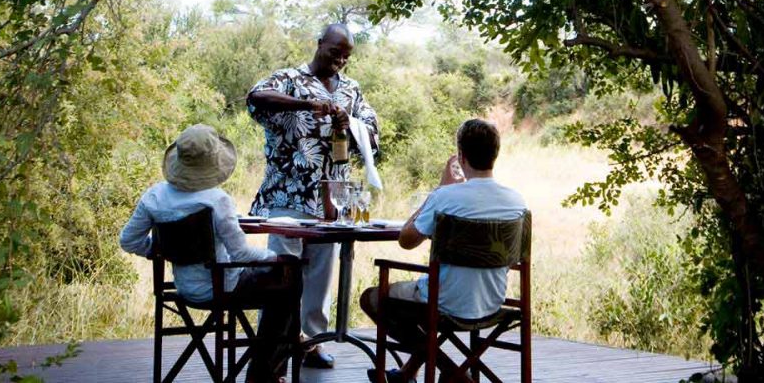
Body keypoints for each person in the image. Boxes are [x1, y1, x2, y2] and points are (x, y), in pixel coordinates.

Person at [119, 124, 299, 383]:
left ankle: (266, 370)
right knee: (290, 278)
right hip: (224, 287)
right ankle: (264, 373)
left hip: (183, 289)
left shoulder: (155, 197)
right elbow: (241, 253)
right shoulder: (216, 200)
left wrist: (161, 251)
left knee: (280, 280)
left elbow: (129, 241)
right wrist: (275, 258)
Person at [247, 23, 379, 369]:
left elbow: (372, 131)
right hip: (287, 197)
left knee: (319, 278)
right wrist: (306, 104)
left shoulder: (351, 89)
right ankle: (274, 356)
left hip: (332, 199)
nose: (340, 60)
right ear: (320, 44)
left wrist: (349, 123)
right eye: (335, 52)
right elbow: (256, 97)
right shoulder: (290, 78)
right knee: (283, 278)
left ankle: (311, 342)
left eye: (347, 56)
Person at [360, 119, 527, 383]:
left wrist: (438, 190)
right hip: (492, 302)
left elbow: (406, 239)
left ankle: (454, 374)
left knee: (372, 298)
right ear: (495, 154)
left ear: (461, 155)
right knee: (430, 295)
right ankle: (408, 374)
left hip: (443, 302)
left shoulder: (445, 197)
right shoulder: (517, 202)